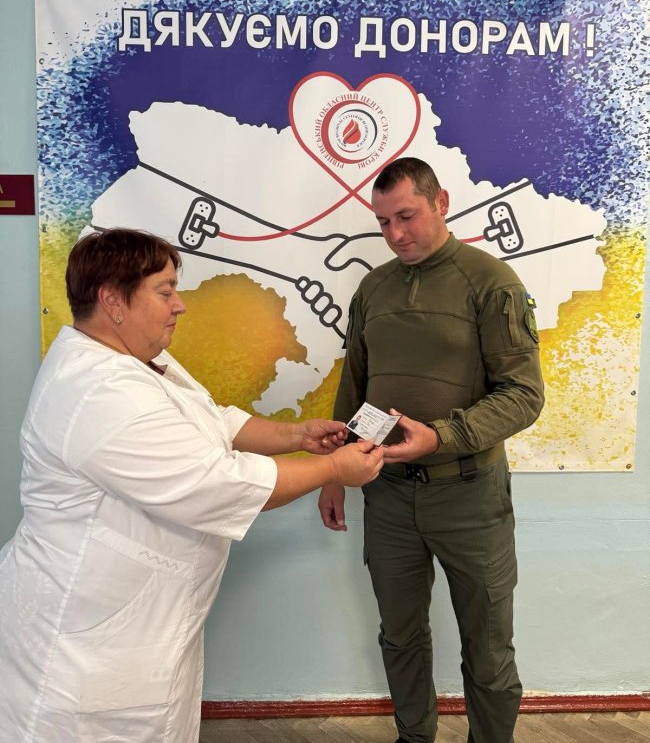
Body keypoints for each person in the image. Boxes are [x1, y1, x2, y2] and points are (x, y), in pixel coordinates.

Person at [0, 228, 384, 743]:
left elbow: (211, 420)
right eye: (165, 292)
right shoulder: (99, 391)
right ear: (112, 300)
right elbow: (216, 484)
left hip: (134, 633)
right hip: (83, 644)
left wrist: (297, 435)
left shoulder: (135, 359)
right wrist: (334, 470)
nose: (179, 305)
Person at [318, 157, 544, 743]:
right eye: (383, 222)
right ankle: (413, 737)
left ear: (441, 202)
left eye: (407, 216)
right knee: (400, 637)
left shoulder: (491, 282)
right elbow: (355, 386)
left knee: (488, 650)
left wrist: (441, 436)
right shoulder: (373, 288)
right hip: (388, 497)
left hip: (470, 498)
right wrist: (333, 471)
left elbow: (523, 395)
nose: (395, 234)